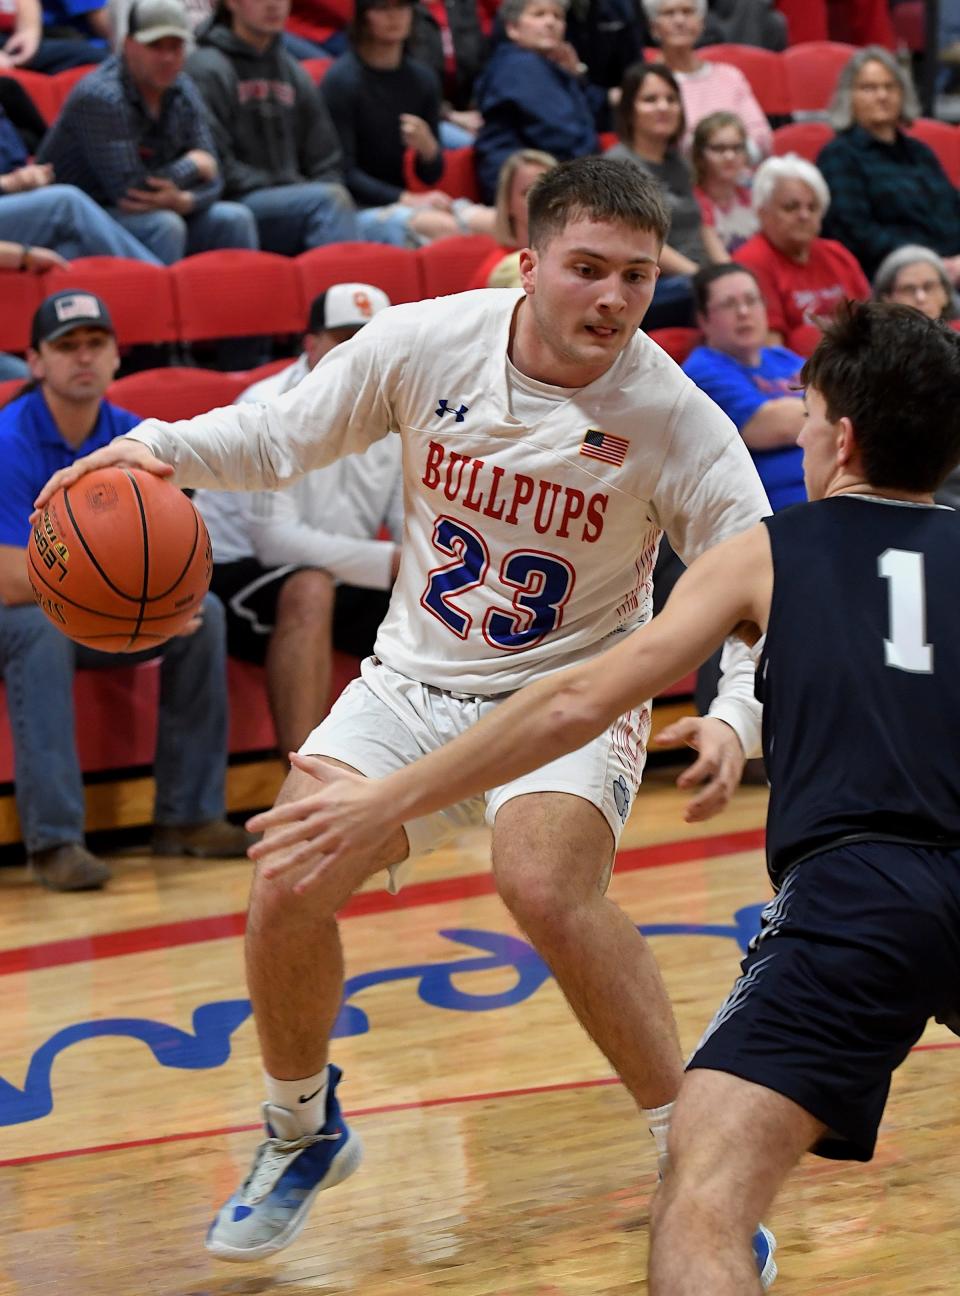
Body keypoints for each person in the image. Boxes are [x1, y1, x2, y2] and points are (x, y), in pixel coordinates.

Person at [33, 157, 776, 1282]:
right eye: (587, 269)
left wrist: (733, 712)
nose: (613, 298)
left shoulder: (676, 418)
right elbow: (283, 434)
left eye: (636, 275)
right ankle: (300, 1127)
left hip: (569, 698)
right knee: (285, 875)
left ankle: (696, 1160)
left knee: (541, 882)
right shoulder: (429, 342)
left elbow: (760, 576)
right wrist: (161, 452)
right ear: (529, 266)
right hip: (414, 683)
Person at [244, 297, 960, 1294]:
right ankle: (301, 1125)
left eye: (802, 417)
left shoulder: (774, 550)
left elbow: (571, 703)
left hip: (862, 897)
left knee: (702, 1197)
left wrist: (385, 800)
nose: (795, 436)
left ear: (840, 437)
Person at [0, 290, 254, 891]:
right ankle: (55, 841)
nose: (83, 357)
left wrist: (171, 602)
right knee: (39, 631)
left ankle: (188, 817)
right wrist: (108, 590)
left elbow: (173, 548)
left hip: (84, 612)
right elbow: (8, 576)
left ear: (117, 356)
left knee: (206, 615)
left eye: (96, 343)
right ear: (36, 361)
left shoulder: (132, 439)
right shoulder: (10, 438)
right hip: (18, 616)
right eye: (66, 346)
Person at [194, 282, 401, 759]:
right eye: (343, 338)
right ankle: (303, 790)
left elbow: (412, 525)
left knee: (436, 599)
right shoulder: (266, 406)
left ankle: (431, 783)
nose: (357, 352)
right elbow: (276, 545)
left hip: (336, 572)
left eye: (369, 339)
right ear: (311, 344)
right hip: (231, 571)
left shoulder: (398, 409)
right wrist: (392, 561)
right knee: (309, 588)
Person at [36, 0, 259, 265]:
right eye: (155, 46)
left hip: (158, 207)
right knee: (164, 225)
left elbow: (216, 176)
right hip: (86, 220)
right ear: (128, 45)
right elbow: (132, 191)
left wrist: (186, 201)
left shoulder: (183, 88)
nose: (167, 58)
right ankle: (158, 305)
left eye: (175, 47)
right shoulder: (101, 95)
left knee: (235, 218)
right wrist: (193, 165)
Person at [185, 0, 360, 255]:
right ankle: (336, 295)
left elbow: (327, 161)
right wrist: (291, 185)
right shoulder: (206, 68)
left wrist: (302, 188)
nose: (274, 5)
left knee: (383, 228)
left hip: (293, 200)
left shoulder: (293, 71)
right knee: (329, 202)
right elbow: (216, 168)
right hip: (233, 203)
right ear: (231, 3)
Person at [320, 0, 490, 245]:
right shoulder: (341, 82)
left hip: (403, 201)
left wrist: (429, 151)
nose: (395, 17)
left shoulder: (422, 80)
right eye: (383, 8)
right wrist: (405, 198)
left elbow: (432, 174)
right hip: (359, 208)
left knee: (495, 223)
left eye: (402, 7)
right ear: (364, 17)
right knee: (444, 229)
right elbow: (342, 173)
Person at [817, 46, 960, 283]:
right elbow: (857, 234)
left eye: (890, 86)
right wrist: (932, 262)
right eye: (869, 88)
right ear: (848, 97)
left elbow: (954, 208)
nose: (882, 95)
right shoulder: (839, 156)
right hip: (895, 281)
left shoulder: (920, 152)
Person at [606, 61, 727, 326]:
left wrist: (729, 270)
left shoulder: (680, 163)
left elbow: (702, 226)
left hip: (695, 276)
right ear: (630, 110)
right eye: (650, 99)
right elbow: (639, 242)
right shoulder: (618, 165)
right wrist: (703, 276)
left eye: (671, 99)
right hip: (656, 283)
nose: (663, 107)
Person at [683, 263, 804, 511]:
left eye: (752, 300)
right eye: (729, 304)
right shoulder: (702, 370)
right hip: (777, 510)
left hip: (834, 491)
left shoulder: (784, 358)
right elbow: (768, 426)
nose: (744, 312)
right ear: (704, 320)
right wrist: (843, 406)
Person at [733, 153, 870, 357]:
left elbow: (871, 323)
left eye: (813, 207)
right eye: (791, 207)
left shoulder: (837, 253)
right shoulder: (750, 262)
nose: (804, 215)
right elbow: (771, 353)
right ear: (762, 212)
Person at [473, 0, 598, 204]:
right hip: (522, 187)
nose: (550, 22)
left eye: (558, 16)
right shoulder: (520, 65)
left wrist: (574, 76)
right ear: (512, 28)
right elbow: (561, 135)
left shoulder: (548, 67)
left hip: (554, 177)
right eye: (538, 14)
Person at [641, 0, 771, 161]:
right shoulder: (646, 82)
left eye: (688, 12)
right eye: (669, 13)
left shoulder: (730, 76)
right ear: (653, 26)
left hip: (736, 176)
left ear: (702, 23)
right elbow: (651, 144)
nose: (680, 21)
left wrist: (726, 155)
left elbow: (762, 137)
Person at [468, 146, 557, 288]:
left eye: (548, 191)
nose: (540, 200)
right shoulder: (497, 270)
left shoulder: (569, 259)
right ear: (508, 203)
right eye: (528, 192)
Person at [691, 110, 758, 255]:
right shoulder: (693, 202)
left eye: (737, 148)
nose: (729, 156)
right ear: (699, 155)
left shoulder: (754, 197)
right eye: (718, 149)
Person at [873, 244, 960, 329]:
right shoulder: (873, 341)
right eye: (908, 290)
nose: (921, 298)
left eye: (929, 287)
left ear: (945, 294)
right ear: (887, 299)